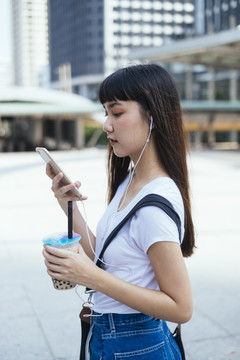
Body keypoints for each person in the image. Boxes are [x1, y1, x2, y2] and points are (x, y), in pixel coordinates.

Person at [43, 63, 195, 360]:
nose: (106, 124)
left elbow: (182, 307)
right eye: (105, 113)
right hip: (111, 337)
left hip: (138, 344)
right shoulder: (131, 179)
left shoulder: (154, 204)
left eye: (117, 112)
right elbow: (105, 257)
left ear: (151, 115)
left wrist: (88, 276)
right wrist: (68, 206)